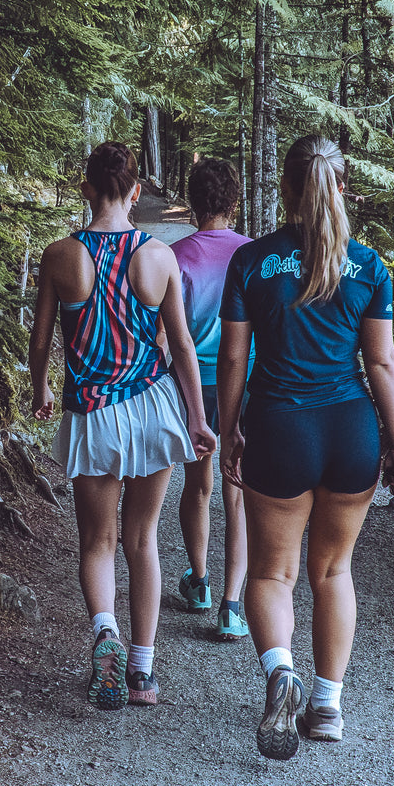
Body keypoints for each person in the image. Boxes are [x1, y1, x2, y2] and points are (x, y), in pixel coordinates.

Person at [217, 134, 394, 760]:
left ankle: (282, 672)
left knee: (271, 573)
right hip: (351, 431)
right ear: (342, 187)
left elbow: (234, 359)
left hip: (280, 429)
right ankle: (327, 705)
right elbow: (381, 365)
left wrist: (230, 431)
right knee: (334, 572)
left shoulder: (252, 262)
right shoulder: (370, 266)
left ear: (287, 188)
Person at [29, 142, 216, 710]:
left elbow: (41, 340)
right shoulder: (158, 257)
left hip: (94, 414)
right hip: (153, 407)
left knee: (97, 540)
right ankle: (141, 672)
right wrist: (198, 418)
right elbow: (181, 346)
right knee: (142, 539)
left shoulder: (61, 255)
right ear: (136, 192)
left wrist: (40, 390)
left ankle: (105, 630)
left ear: (87, 189)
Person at [169, 159, 252, 640]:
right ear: (233, 202)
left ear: (194, 201)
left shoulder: (176, 256)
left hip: (194, 384)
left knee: (198, 484)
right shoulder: (254, 254)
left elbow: (167, 336)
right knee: (236, 490)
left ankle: (199, 582)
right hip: (245, 382)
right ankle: (231, 606)